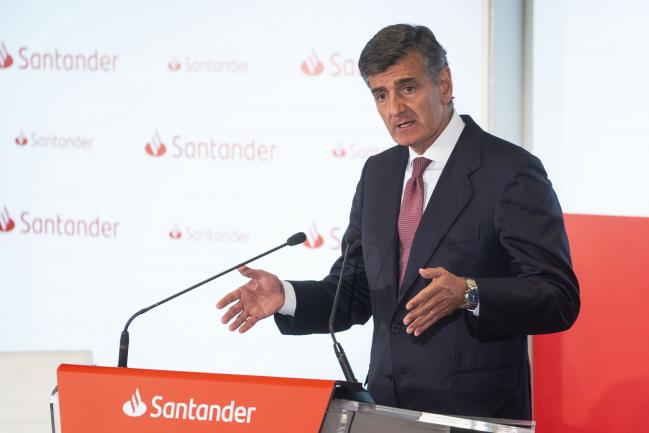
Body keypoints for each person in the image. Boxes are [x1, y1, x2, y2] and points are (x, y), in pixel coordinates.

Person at [216, 24, 579, 420]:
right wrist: (285, 296)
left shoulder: (509, 171)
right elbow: (353, 292)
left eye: (408, 88)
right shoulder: (379, 173)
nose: (394, 109)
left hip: (475, 414)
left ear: (443, 84)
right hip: (386, 412)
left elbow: (558, 296)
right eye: (381, 95)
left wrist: (469, 293)